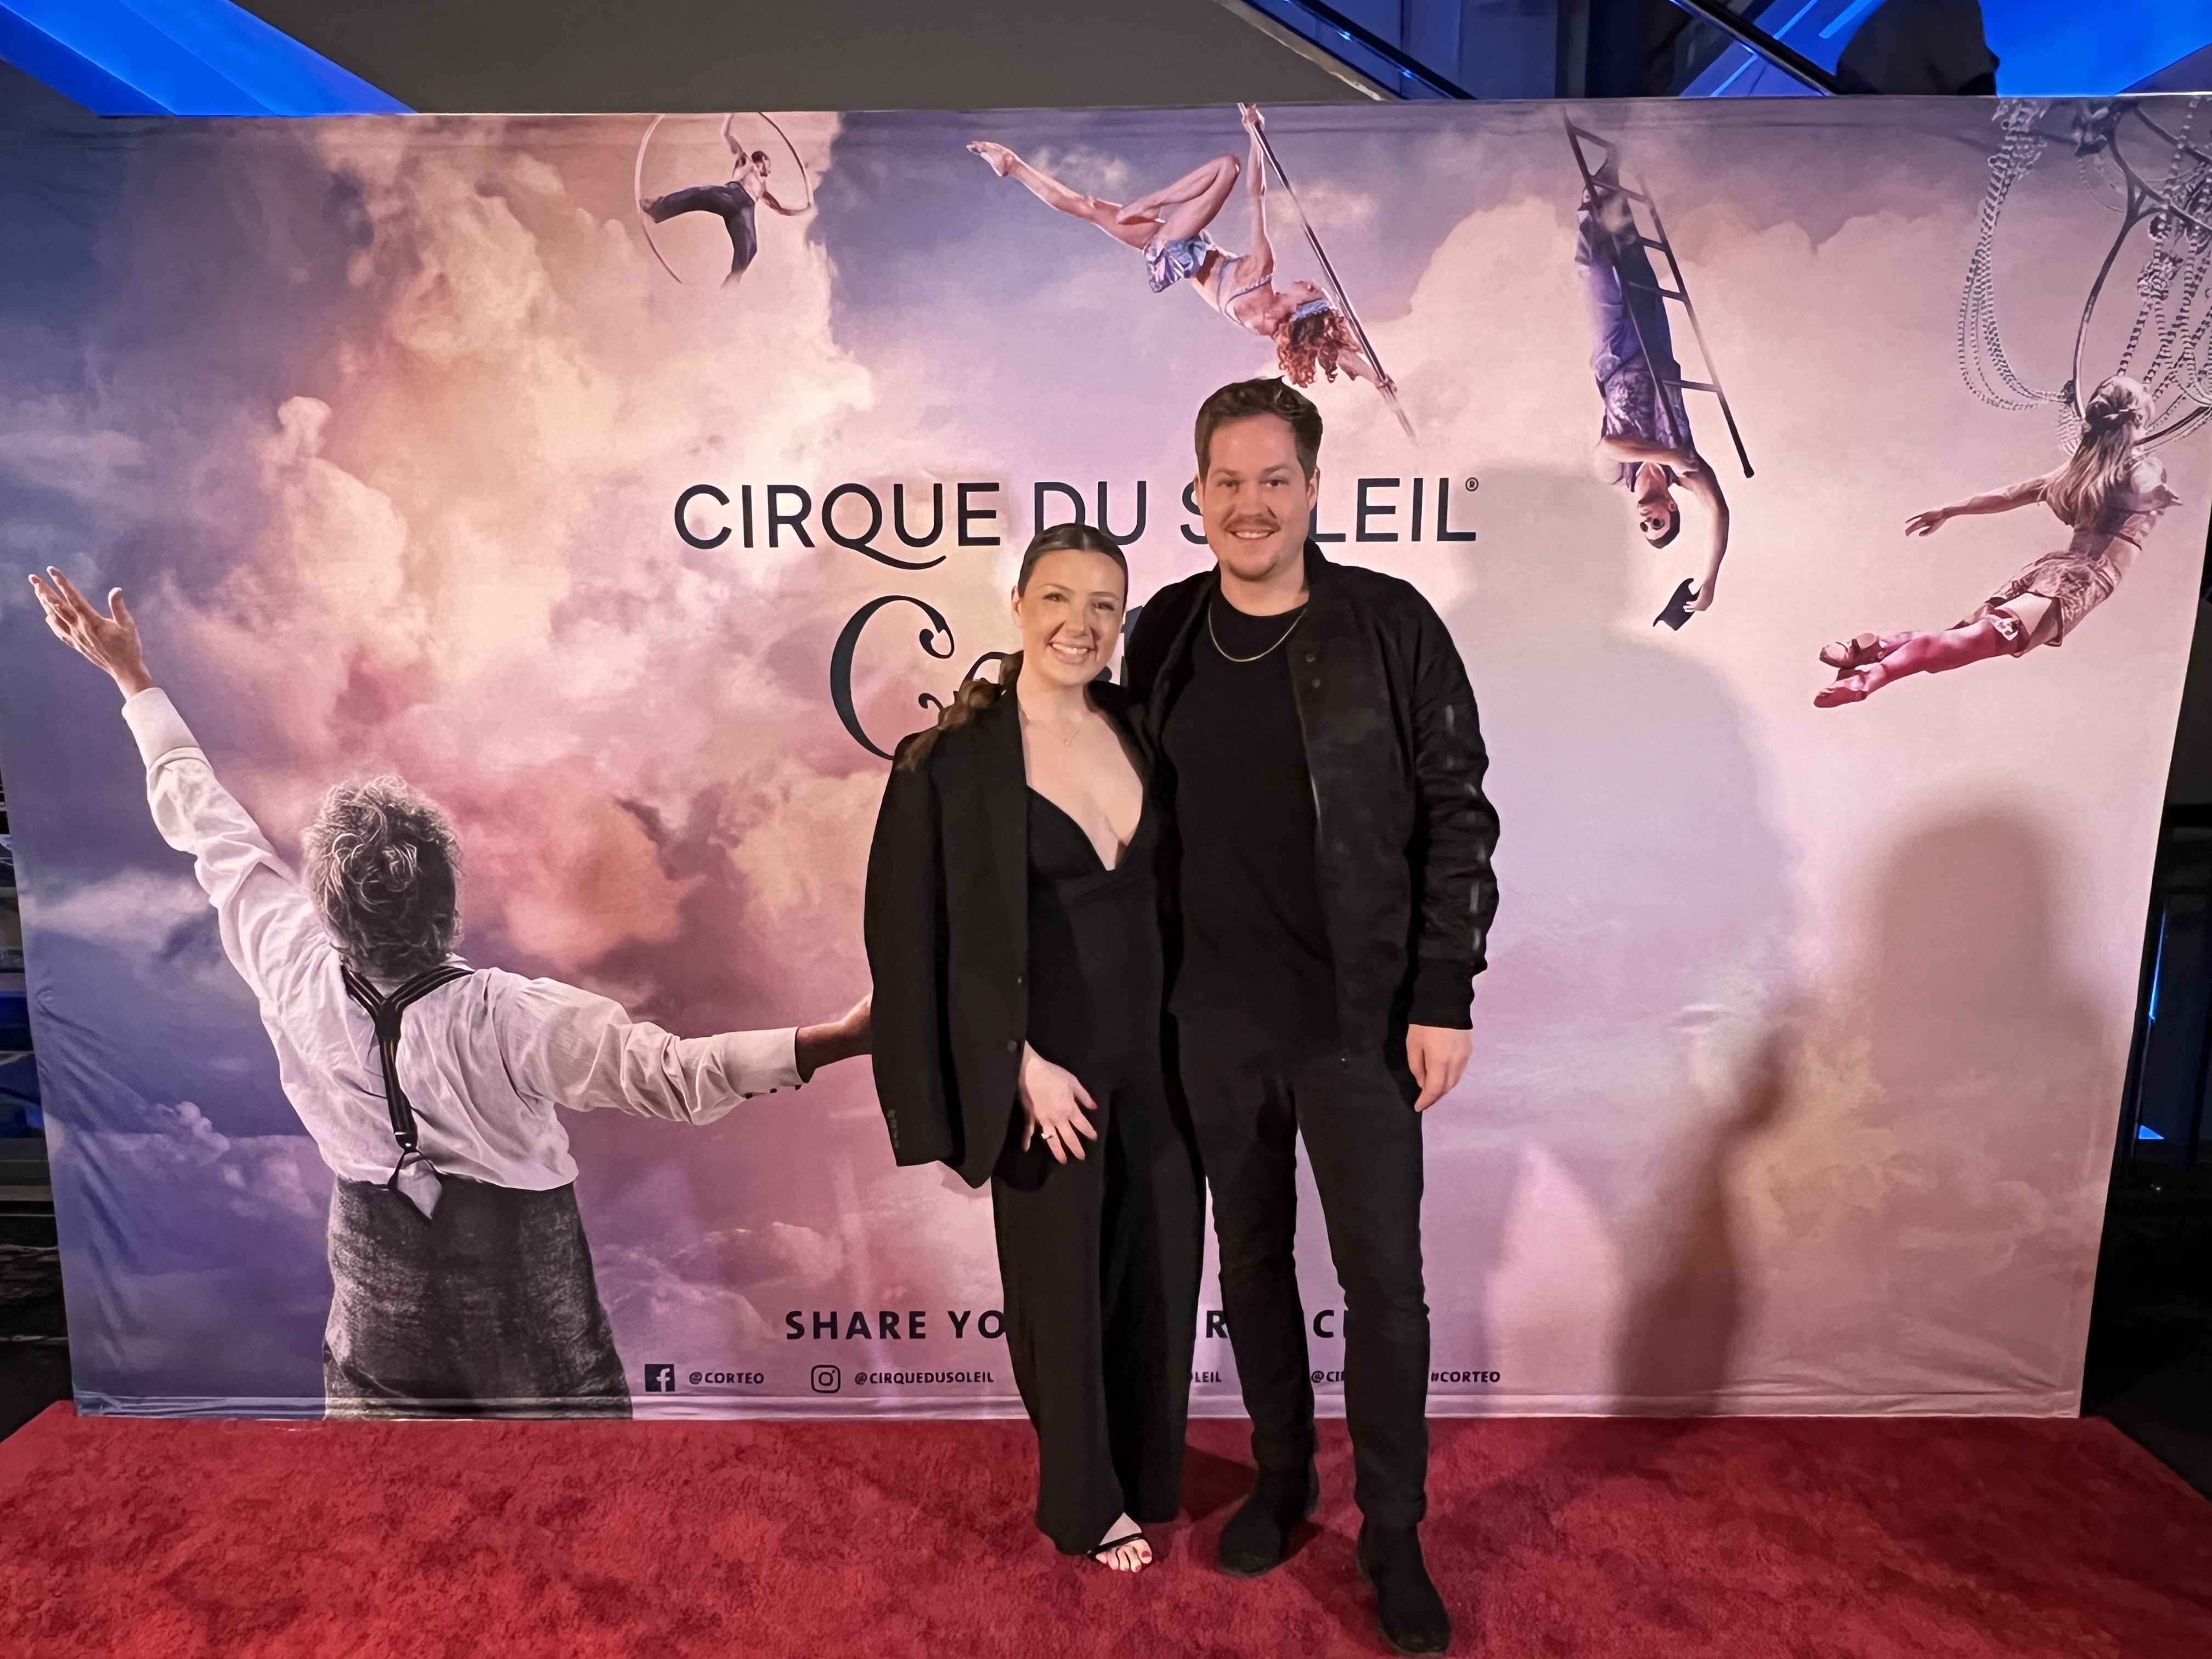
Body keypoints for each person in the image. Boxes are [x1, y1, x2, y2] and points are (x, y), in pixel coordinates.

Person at [30, 568, 871, 1418]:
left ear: (327, 908)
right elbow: (679, 1076)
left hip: (376, 1343)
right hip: (541, 1354)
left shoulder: (286, 958)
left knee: (386, 1490)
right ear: (448, 902)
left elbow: (209, 826)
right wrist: (842, 1036)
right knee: (574, 1492)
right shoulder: (513, 1018)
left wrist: (132, 677)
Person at [1121, 379, 1499, 1656]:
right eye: (1227, 481)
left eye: (1274, 479)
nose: (1251, 504)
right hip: (1209, 1020)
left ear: (1315, 487)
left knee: (1386, 1285)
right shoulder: (1167, 630)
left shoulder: (1389, 624)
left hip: (1360, 1020)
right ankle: (1281, 1481)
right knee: (1253, 1263)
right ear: (1198, 493)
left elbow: (1458, 812)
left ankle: (1392, 1531)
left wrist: (1442, 992)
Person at [865, 523, 1203, 1576]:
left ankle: (1145, 1470)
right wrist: (1015, 1065)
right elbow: (913, 942)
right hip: (1046, 1074)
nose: (1080, 623)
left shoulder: (1143, 727)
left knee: (1161, 1272)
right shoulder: (945, 763)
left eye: (1104, 604)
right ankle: (1083, 1501)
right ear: (1017, 604)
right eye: (1058, 597)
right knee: (1060, 1290)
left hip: (1163, 1063)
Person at [1815, 374, 2179, 707]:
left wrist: (1950, 509)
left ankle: (1874, 649)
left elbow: (2009, 495)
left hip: (2054, 569)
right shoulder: (2140, 470)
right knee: (1969, 643)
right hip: (2082, 581)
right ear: (2138, 420)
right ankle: (1871, 676)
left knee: (1959, 641)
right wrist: (2157, 492)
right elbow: (2143, 485)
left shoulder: (2080, 472)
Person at [969, 105, 1390, 392]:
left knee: (1228, 166)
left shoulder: (1262, 272)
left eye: (1311, 290)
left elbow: (1256, 195)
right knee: (1090, 207)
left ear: (1302, 308)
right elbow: (1330, 349)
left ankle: (1150, 202)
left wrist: (1253, 137)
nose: (1308, 282)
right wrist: (1376, 379)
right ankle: (1013, 166)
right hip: (1182, 251)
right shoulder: (1270, 327)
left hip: (1176, 246)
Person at [1578, 158, 1731, 619]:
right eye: (1659, 524)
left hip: (1615, 358)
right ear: (1672, 509)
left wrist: (1666, 455)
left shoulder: (1616, 476)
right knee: (1634, 263)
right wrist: (1710, 578)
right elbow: (1719, 512)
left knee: (1598, 272)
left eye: (1645, 528)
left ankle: (1589, 206)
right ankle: (1611, 187)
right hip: (1657, 351)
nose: (1648, 521)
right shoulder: (1688, 474)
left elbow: (1609, 445)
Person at [639, 113, 805, 285]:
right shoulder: (746, 162)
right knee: (700, 194)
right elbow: (725, 134)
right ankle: (657, 209)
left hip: (745, 210)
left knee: (750, 248)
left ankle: (731, 285)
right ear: (761, 161)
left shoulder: (763, 188)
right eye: (767, 166)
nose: (769, 171)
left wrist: (804, 210)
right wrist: (730, 115)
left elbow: (780, 209)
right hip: (732, 195)